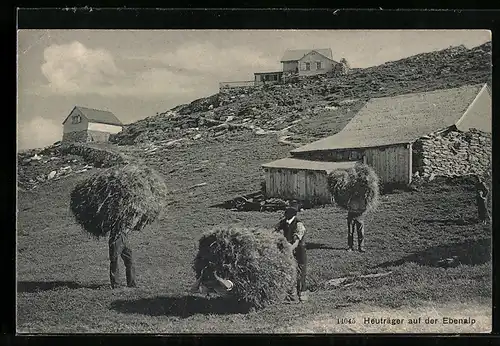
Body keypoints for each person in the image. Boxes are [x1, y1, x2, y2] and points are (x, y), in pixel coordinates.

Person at [274, 207, 307, 302]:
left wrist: (289, 250)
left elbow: (296, 242)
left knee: (301, 271)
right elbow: (275, 229)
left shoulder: (299, 224)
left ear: (292, 215)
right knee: (289, 271)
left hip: (299, 250)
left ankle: (302, 293)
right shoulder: (284, 222)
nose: (285, 217)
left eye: (287, 215)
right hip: (288, 249)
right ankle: (291, 294)